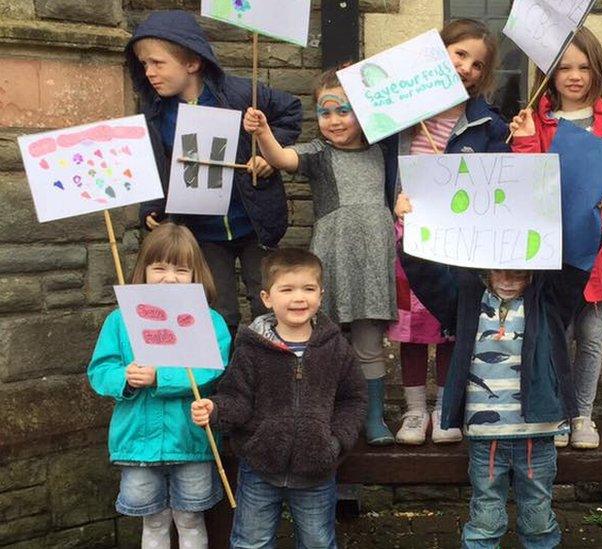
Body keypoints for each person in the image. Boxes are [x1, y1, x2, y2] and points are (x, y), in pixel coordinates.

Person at [397, 194, 586, 547]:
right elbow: (428, 277)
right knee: (485, 515)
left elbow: (577, 264)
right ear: (484, 267)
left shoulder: (549, 303)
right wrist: (410, 228)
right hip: (486, 437)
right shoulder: (467, 301)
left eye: (519, 271)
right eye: (501, 269)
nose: (510, 279)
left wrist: (592, 215)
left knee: (538, 517)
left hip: (537, 433)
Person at [509, 26, 602, 448]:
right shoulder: (536, 121)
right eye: (565, 67)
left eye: (584, 66)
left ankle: (583, 415)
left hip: (600, 253)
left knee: (590, 340)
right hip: (555, 252)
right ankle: (556, 411)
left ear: (597, 70)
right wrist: (524, 140)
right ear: (549, 74)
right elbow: (528, 184)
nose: (574, 75)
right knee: (555, 334)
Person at [243, 67, 398, 446]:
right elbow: (280, 158)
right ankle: (325, 412)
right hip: (333, 256)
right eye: (325, 112)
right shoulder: (317, 153)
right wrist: (263, 132)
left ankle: (373, 417)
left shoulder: (384, 150)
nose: (334, 120)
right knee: (325, 339)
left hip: (375, 260)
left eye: (344, 110)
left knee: (368, 341)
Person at [125, 10, 303, 335]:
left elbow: (291, 111)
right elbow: (153, 164)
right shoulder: (153, 112)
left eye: (157, 63)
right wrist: (152, 207)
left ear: (192, 63)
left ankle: (271, 374)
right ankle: (225, 379)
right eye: (143, 65)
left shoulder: (239, 94)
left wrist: (268, 154)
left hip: (255, 225)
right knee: (217, 311)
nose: (149, 72)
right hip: (202, 232)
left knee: (268, 302)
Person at [191, 248, 367, 548]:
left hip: (317, 470)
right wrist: (216, 409)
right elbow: (237, 398)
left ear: (321, 295)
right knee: (251, 543)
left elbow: (353, 399)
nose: (299, 298)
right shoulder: (251, 348)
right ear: (267, 298)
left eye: (308, 289)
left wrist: (336, 441)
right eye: (287, 289)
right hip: (260, 466)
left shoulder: (336, 348)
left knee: (317, 543)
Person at [389, 18, 510, 445]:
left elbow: (499, 183)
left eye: (478, 65)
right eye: (459, 54)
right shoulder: (402, 113)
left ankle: (445, 408)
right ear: (438, 52)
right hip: (407, 237)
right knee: (410, 329)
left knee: (449, 325)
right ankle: (414, 410)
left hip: (457, 244)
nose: (467, 68)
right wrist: (394, 200)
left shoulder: (487, 124)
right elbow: (372, 159)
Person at [88, 222, 231, 548]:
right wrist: (124, 378)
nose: (170, 277)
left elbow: (211, 368)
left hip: (191, 442)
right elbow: (100, 370)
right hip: (137, 444)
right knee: (153, 522)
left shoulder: (210, 321)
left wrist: (160, 377)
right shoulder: (119, 321)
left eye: (181, 270)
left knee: (191, 520)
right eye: (160, 268)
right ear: (144, 270)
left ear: (196, 274)